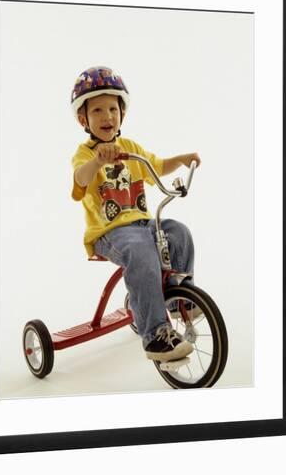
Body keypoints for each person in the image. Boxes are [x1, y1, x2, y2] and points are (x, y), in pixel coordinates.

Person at [71, 66, 201, 362]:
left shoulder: (130, 148)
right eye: (98, 110)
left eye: (113, 109)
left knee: (178, 232)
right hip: (110, 232)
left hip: (143, 223)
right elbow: (79, 180)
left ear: (122, 115)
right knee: (142, 252)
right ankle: (156, 335)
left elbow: (155, 165)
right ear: (84, 119)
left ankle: (177, 296)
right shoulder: (84, 154)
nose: (107, 117)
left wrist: (179, 160)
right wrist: (96, 162)